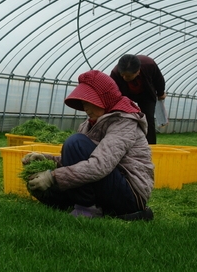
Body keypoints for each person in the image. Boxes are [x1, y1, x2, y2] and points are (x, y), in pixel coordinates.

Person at [22, 70, 154, 220]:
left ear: (104, 99)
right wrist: (46, 159)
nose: (86, 108)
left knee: (75, 142)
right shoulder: (89, 124)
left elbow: (100, 165)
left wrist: (53, 176)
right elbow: (78, 159)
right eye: (84, 103)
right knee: (38, 187)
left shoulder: (124, 122)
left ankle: (87, 208)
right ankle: (89, 206)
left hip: (129, 194)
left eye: (89, 102)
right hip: (104, 184)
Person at [110, 54, 166, 144]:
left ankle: (150, 145)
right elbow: (112, 92)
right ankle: (123, 142)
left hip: (146, 94)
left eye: (128, 76)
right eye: (122, 75)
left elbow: (158, 79)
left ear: (138, 71)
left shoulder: (149, 64)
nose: (124, 78)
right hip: (125, 95)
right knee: (123, 118)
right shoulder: (115, 73)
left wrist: (160, 93)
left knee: (148, 119)